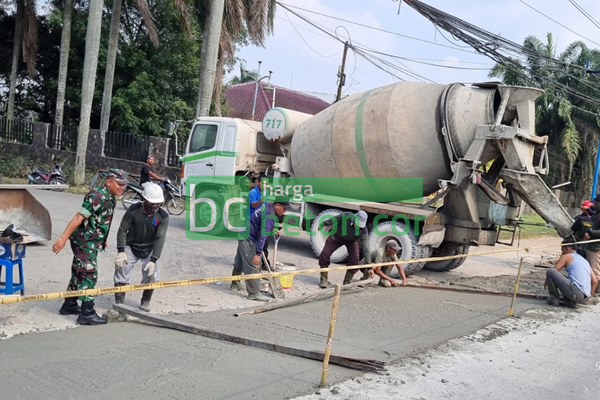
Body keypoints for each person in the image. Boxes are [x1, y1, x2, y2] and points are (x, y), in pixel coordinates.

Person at [53, 168, 128, 325]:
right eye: (119, 184)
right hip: (84, 241)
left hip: (92, 240)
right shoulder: (97, 196)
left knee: (78, 272)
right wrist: (63, 237)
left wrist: (103, 237)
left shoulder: (111, 196)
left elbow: (101, 219)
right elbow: (79, 216)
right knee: (89, 274)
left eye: (124, 185)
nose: (122, 187)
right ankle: (87, 313)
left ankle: (70, 305)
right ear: (109, 182)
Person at [113, 182, 169, 312]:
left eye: (157, 204)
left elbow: (160, 238)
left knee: (152, 274)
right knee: (122, 269)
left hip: (149, 247)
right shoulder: (133, 210)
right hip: (131, 245)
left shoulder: (163, 217)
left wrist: (154, 259)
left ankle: (145, 301)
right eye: (151, 204)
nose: (154, 207)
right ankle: (119, 302)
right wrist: (121, 251)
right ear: (144, 200)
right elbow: (122, 230)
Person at [230, 199, 289, 301]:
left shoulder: (268, 206)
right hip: (249, 237)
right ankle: (254, 293)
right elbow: (262, 236)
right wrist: (257, 253)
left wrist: (271, 230)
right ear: (277, 205)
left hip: (243, 232)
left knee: (240, 260)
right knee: (253, 264)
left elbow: (262, 225)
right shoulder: (270, 216)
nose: (284, 211)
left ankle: (235, 284)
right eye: (284, 208)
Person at [318, 210, 371, 289]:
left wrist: (369, 266)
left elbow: (366, 247)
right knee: (324, 254)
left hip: (351, 241)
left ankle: (347, 282)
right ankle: (323, 280)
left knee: (355, 260)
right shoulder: (346, 216)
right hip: (336, 237)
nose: (358, 227)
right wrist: (324, 224)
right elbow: (334, 219)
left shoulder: (363, 230)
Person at [545, 237, 597, 308]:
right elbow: (595, 281)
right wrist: (589, 295)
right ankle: (570, 301)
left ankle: (554, 299)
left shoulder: (567, 256)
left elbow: (554, 271)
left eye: (562, 250)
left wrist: (546, 282)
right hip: (583, 297)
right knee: (566, 278)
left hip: (575, 292)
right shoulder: (584, 261)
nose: (562, 253)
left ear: (567, 249)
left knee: (550, 271)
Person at [585, 195, 600, 296]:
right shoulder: (597, 214)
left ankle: (595, 292)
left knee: (595, 270)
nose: (594, 205)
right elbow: (591, 211)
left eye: (596, 203)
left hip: (596, 247)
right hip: (592, 245)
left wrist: (591, 232)